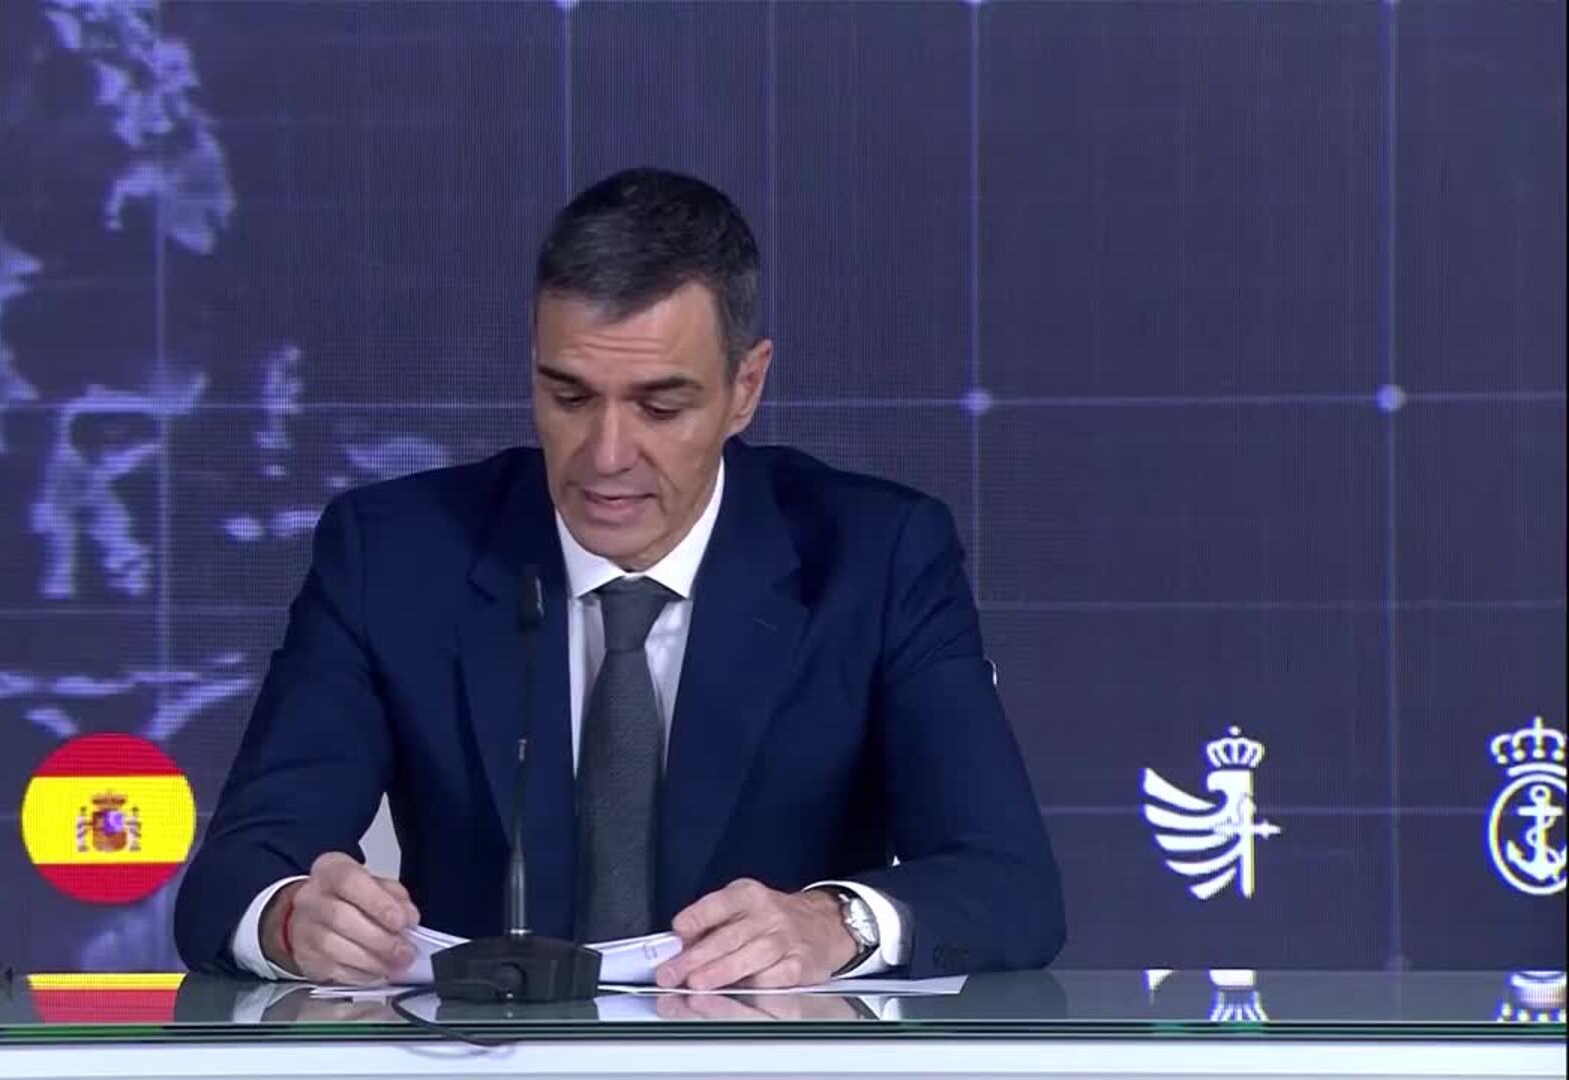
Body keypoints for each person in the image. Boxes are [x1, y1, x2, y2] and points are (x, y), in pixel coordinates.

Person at [174, 167, 1063, 990]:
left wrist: (837, 924)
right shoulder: (394, 554)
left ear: (745, 388)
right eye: (568, 396)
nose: (605, 455)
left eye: (660, 406)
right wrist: (289, 919)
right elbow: (233, 879)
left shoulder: (876, 557)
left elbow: (1010, 885)